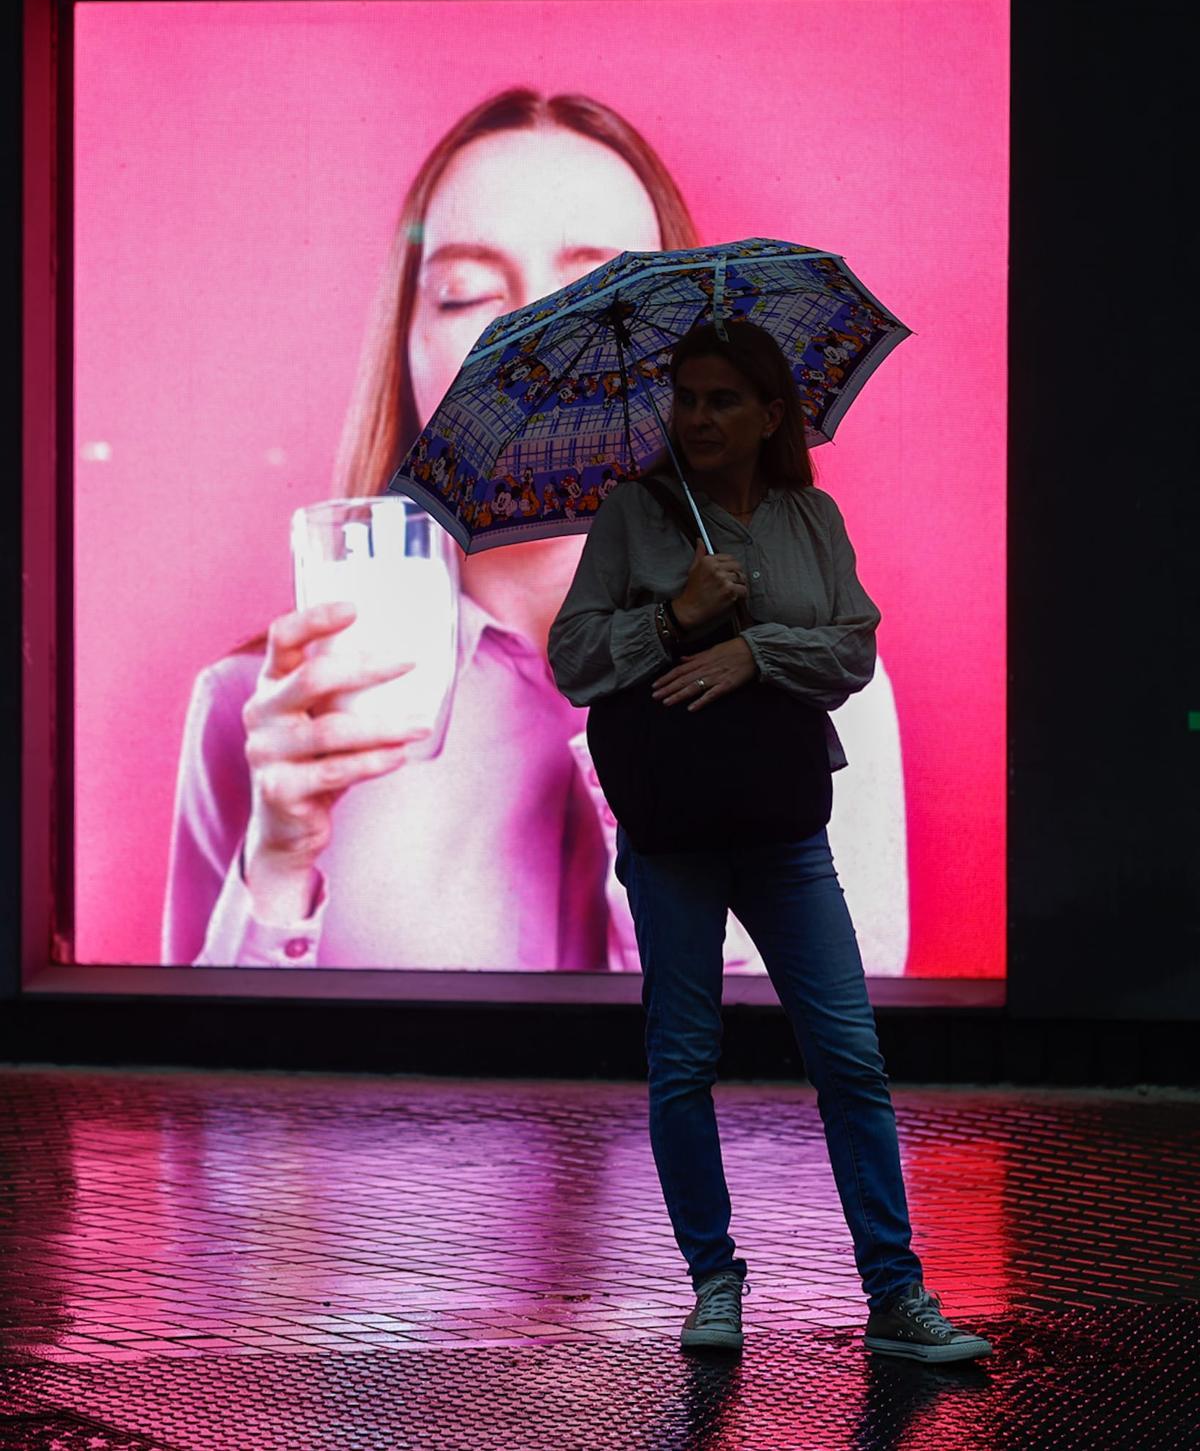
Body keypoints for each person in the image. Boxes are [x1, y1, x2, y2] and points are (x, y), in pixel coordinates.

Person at [162, 86, 907, 973]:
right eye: (467, 294)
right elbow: (205, 1070)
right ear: (406, 348)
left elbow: (822, 1052)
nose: (533, 339)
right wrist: (278, 864)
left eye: (600, 293)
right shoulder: (267, 714)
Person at [547, 320, 991, 1362]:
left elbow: (852, 649)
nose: (698, 417)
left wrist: (753, 649)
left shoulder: (808, 516)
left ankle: (895, 1293)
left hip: (784, 824)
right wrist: (673, 616)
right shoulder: (635, 513)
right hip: (672, 831)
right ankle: (713, 1281)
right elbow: (573, 658)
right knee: (683, 1060)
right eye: (686, 397)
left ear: (769, 415)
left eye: (722, 400)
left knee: (849, 1056)